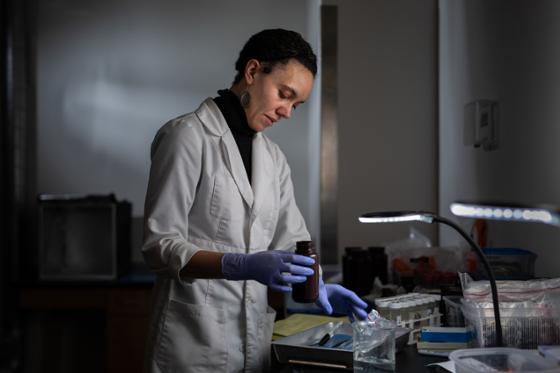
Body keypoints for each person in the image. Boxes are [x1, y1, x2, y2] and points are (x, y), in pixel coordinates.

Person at [142, 29, 367, 373]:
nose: (287, 112)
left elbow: (292, 240)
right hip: (191, 346)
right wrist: (240, 265)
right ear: (252, 72)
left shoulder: (273, 158)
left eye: (296, 104)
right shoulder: (186, 137)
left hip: (251, 346)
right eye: (284, 94)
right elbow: (160, 246)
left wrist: (318, 284)